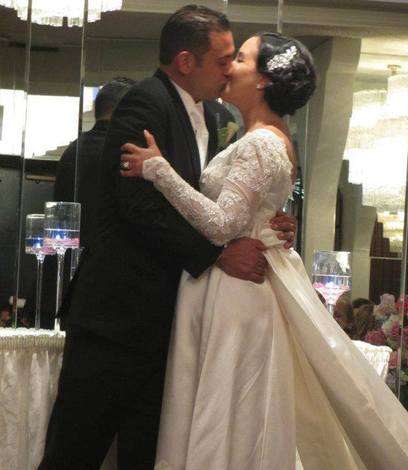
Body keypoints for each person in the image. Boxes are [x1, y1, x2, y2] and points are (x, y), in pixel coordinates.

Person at [121, 33, 408, 470]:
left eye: (239, 58)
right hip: (237, 280)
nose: (228, 66)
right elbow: (250, 209)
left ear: (261, 80)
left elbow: (222, 224)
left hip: (235, 288)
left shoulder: (260, 141)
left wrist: (158, 170)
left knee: (227, 405)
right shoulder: (267, 136)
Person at [38, 6, 296, 470]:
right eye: (222, 60)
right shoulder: (146, 102)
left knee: (149, 454)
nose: (228, 69)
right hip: (118, 318)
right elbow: (136, 207)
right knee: (74, 451)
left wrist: (267, 222)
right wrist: (215, 255)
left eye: (236, 60)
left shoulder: (213, 115)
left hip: (170, 320)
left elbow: (215, 200)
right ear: (184, 61)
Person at [54, 77, 136, 248]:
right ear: (127, 112)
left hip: (71, 258)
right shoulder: (123, 153)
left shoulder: (73, 150)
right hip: (108, 260)